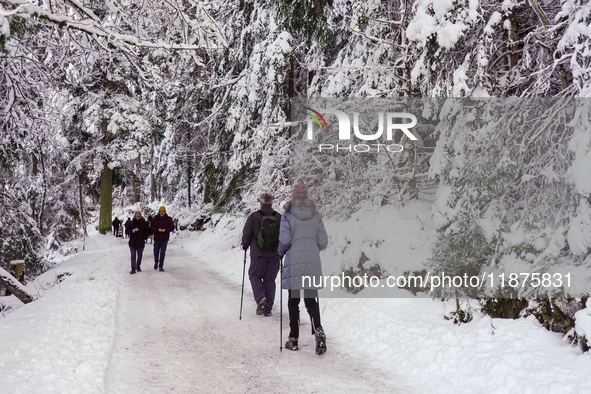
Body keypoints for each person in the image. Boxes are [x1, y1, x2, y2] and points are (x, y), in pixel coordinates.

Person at [278, 184, 328, 355]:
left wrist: (280, 253)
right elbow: (323, 241)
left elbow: (284, 239)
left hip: (294, 262)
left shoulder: (287, 216)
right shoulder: (316, 216)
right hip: (312, 263)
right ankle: (318, 330)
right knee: (310, 300)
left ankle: (294, 338)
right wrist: (313, 251)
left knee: (293, 302)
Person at [241, 193, 282, 317]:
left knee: (254, 276)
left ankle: (260, 299)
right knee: (270, 280)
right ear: (271, 203)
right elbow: (286, 236)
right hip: (274, 255)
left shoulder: (254, 217)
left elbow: (247, 233)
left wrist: (245, 245)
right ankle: (268, 308)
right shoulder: (279, 217)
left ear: (261, 203)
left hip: (258, 254)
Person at [151, 206, 174, 271]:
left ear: (165, 212)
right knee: (156, 251)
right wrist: (157, 230)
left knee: (162, 252)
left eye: (163, 211)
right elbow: (152, 227)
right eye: (160, 211)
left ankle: (161, 265)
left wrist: (165, 230)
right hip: (157, 237)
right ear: (159, 212)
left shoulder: (168, 220)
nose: (161, 213)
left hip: (164, 238)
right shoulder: (155, 219)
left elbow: (172, 227)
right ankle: (156, 261)